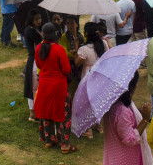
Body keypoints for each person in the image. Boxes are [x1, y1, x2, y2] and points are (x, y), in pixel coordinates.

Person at [34, 23, 77, 154]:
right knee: (63, 114)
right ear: (55, 34)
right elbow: (66, 69)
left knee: (46, 112)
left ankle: (49, 140)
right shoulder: (59, 50)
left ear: (43, 34)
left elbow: (39, 64)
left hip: (44, 85)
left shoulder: (38, 48)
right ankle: (64, 145)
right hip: (59, 86)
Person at [103, 71, 153, 165]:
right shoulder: (122, 111)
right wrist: (145, 120)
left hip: (114, 156)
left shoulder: (111, 103)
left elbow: (122, 125)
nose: (137, 86)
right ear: (130, 87)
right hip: (125, 158)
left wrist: (137, 113)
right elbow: (130, 139)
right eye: (135, 83)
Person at [76, 22, 107, 139]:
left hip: (88, 76)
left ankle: (88, 129)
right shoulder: (103, 44)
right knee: (98, 100)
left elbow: (78, 63)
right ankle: (99, 125)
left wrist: (76, 50)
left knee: (87, 102)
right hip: (101, 74)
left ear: (86, 33)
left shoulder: (84, 49)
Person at [23, 9, 42, 122]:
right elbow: (40, 43)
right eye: (36, 19)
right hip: (34, 61)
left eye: (40, 18)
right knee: (33, 86)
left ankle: (34, 111)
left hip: (35, 59)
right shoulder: (31, 31)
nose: (39, 21)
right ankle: (33, 112)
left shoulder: (34, 29)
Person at [59, 15, 85, 95]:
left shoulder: (82, 36)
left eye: (71, 23)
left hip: (81, 65)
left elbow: (85, 50)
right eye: (67, 23)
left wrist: (73, 51)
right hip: (70, 67)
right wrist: (75, 55)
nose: (69, 25)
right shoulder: (64, 37)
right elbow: (64, 53)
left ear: (76, 24)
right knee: (72, 88)